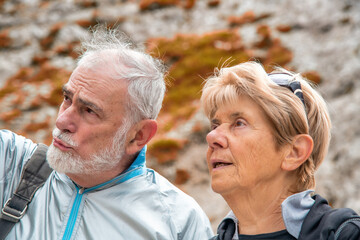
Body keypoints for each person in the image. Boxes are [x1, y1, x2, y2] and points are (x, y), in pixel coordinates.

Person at [0, 26, 213, 239]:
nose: (62, 121)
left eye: (89, 111)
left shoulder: (180, 223)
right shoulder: (11, 162)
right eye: (67, 99)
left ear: (139, 135)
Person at [201, 61, 360, 240]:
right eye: (215, 125)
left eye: (239, 123)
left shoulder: (345, 235)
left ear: (294, 152)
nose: (212, 136)